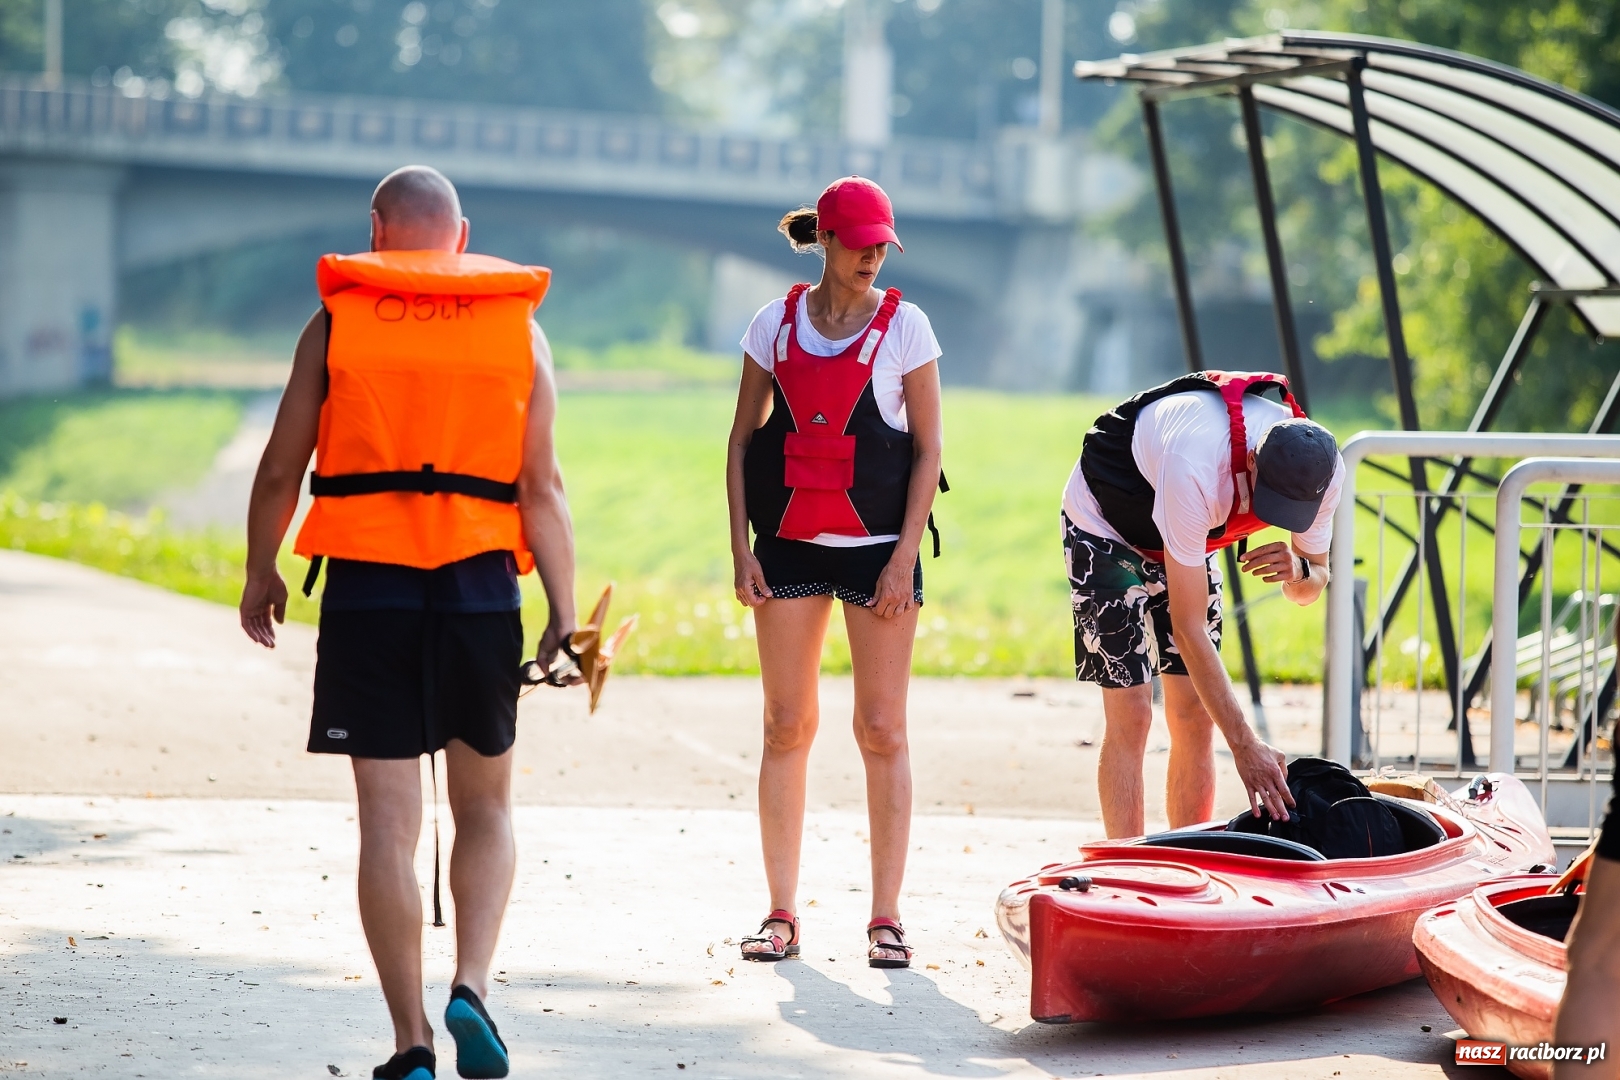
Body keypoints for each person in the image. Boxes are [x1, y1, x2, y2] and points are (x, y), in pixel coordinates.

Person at [239, 165, 579, 1080]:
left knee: (388, 828)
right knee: (487, 808)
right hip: (478, 592)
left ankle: (411, 1043)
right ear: (460, 237)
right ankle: (471, 984)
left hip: (368, 589)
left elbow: (280, 468)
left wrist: (259, 570)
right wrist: (566, 612)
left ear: (378, 230)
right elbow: (541, 488)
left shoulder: (339, 319)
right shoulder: (519, 328)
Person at [725, 176, 944, 969]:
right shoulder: (772, 324)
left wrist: (903, 559)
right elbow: (742, 443)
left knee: (880, 729)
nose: (873, 257)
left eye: (883, 244)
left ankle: (885, 918)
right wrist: (740, 547)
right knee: (787, 724)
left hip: (880, 548)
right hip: (784, 546)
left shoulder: (907, 327)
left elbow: (928, 451)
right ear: (825, 240)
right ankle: (780, 913)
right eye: (859, 245)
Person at [1061, 371, 1343, 838]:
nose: (1270, 516)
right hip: (1105, 528)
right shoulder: (1195, 463)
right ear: (1253, 459)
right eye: (1269, 498)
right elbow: (1188, 628)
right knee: (1133, 711)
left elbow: (1312, 585)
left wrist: (1299, 569)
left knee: (1194, 711)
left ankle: (1186, 863)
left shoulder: (1325, 470)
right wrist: (1245, 744)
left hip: (1190, 537)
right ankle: (1131, 869)